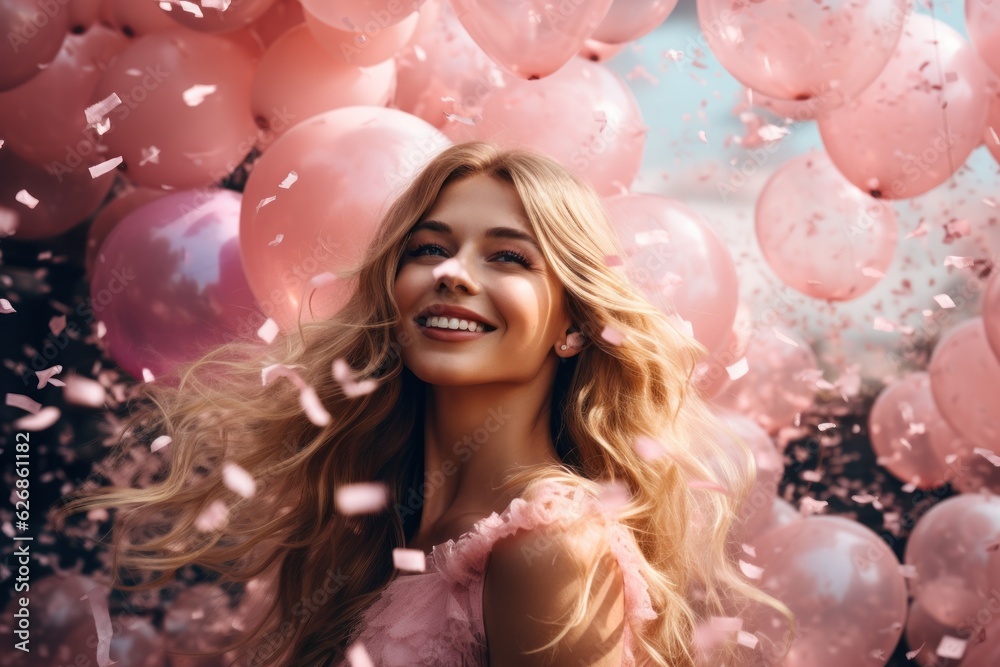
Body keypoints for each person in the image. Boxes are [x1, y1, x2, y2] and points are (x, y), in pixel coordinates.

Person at [53, 141, 794, 666]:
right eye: (429, 248)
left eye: (507, 256)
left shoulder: (549, 548)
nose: (452, 274)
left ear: (571, 324)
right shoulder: (388, 522)